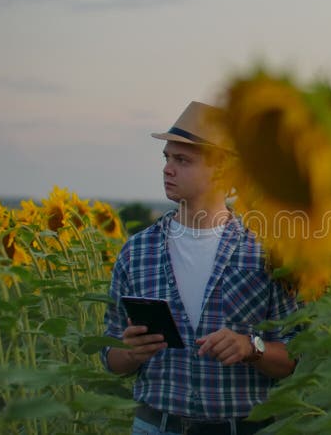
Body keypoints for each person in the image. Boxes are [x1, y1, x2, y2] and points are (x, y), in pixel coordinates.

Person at [101, 101, 301, 435]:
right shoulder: (136, 252)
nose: (167, 169)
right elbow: (110, 355)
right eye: (167, 158)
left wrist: (252, 347)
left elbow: (295, 356)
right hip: (156, 426)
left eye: (183, 160)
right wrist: (131, 353)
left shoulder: (266, 253)